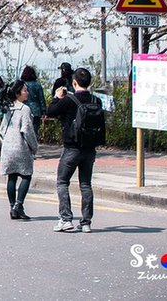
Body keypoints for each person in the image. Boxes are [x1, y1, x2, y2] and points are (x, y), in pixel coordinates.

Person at [46, 67, 102, 234]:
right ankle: (86, 223)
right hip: (90, 148)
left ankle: (66, 219)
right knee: (85, 184)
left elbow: (51, 112)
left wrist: (57, 97)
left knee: (62, 182)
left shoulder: (69, 100)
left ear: (74, 82)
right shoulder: (96, 100)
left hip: (72, 148)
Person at [0, 79, 38, 220]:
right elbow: (27, 131)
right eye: (24, 90)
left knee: (12, 177)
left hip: (8, 148)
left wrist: (7, 143)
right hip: (21, 148)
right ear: (17, 93)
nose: (27, 92)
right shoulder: (24, 109)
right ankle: (18, 205)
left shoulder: (7, 108)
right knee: (26, 175)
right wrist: (34, 147)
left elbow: (1, 131)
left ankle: (12, 207)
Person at [20, 66, 47, 137]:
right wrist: (44, 111)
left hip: (23, 108)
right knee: (34, 130)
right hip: (36, 110)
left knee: (23, 129)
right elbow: (41, 99)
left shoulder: (22, 85)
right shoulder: (37, 85)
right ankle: (33, 145)